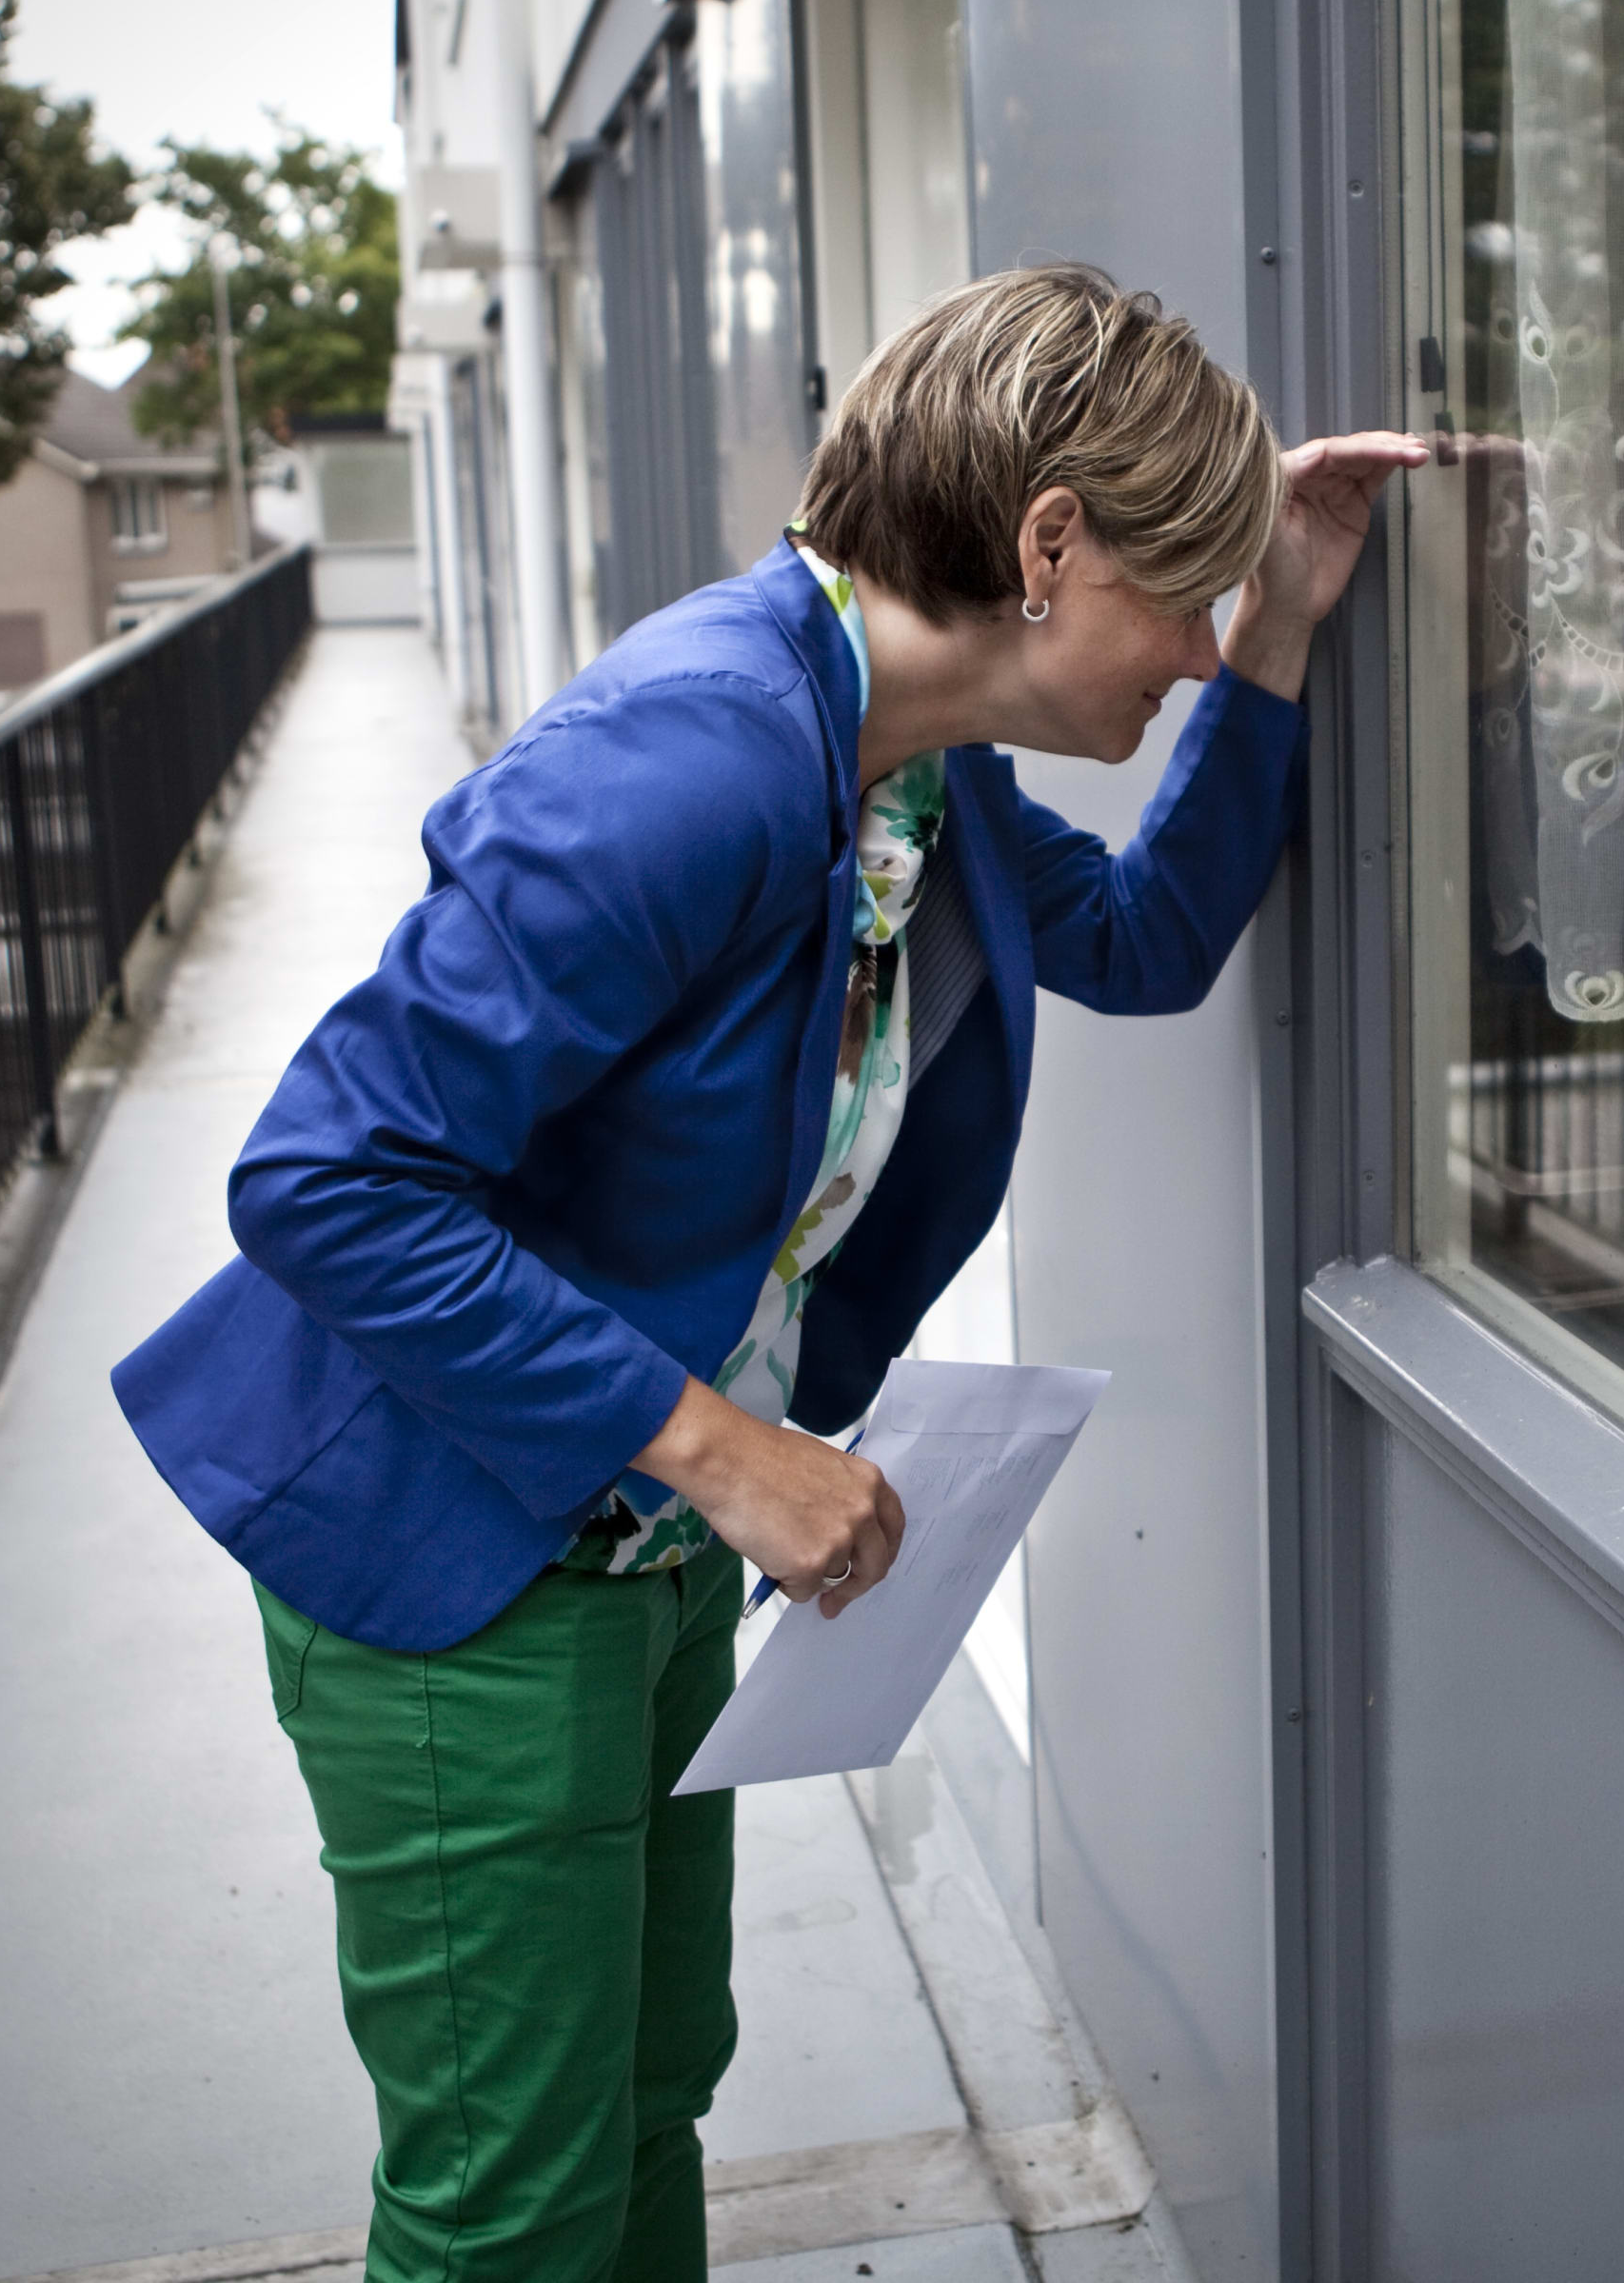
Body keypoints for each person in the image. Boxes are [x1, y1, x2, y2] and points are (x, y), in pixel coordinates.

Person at [114, 263, 1424, 2282]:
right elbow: (323, 1177)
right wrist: (726, 1449)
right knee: (511, 2212)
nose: (1181, 644)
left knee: (649, 2100)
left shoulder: (921, 763)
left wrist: (1286, 624)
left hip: (629, 1553)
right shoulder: (696, 752)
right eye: (1184, 591)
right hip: (461, 1565)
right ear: (1050, 543)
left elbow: (1154, 940)